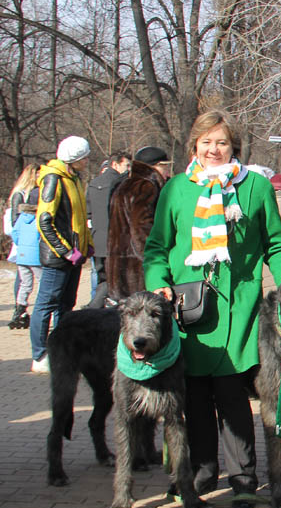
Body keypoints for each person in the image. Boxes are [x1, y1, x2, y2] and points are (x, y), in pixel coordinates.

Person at [144, 110, 281, 508]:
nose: (214, 149)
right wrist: (158, 284)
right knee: (194, 396)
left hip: (240, 309)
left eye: (222, 142)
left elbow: (277, 245)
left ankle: (243, 478)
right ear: (195, 145)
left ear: (235, 147)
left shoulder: (255, 188)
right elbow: (157, 248)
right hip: (188, 309)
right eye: (206, 142)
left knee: (232, 395)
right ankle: (201, 470)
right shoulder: (176, 189)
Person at [29, 136, 94, 374]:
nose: (87, 161)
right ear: (74, 159)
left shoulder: (73, 178)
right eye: (84, 157)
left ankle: (63, 349)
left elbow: (76, 219)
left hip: (74, 256)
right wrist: (65, 251)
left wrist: (87, 245)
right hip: (59, 258)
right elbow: (45, 221)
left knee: (66, 305)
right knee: (46, 303)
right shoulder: (53, 179)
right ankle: (39, 354)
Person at [107, 146, 174, 301]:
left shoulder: (124, 184)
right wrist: (155, 262)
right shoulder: (146, 186)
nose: (167, 172)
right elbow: (142, 230)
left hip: (119, 263)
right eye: (165, 167)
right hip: (137, 270)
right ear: (155, 166)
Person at [86, 152, 131, 307]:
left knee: (101, 279)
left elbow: (88, 212)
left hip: (97, 240)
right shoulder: (122, 183)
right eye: (126, 165)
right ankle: (94, 308)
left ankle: (96, 308)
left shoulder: (93, 183)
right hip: (116, 241)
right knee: (114, 283)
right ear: (115, 164)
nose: (128, 169)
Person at [6, 164, 40, 328]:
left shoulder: (23, 217)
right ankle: (32, 312)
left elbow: (16, 231)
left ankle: (20, 310)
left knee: (25, 283)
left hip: (23, 253)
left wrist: (21, 244)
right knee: (41, 283)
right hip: (34, 254)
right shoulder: (21, 196)